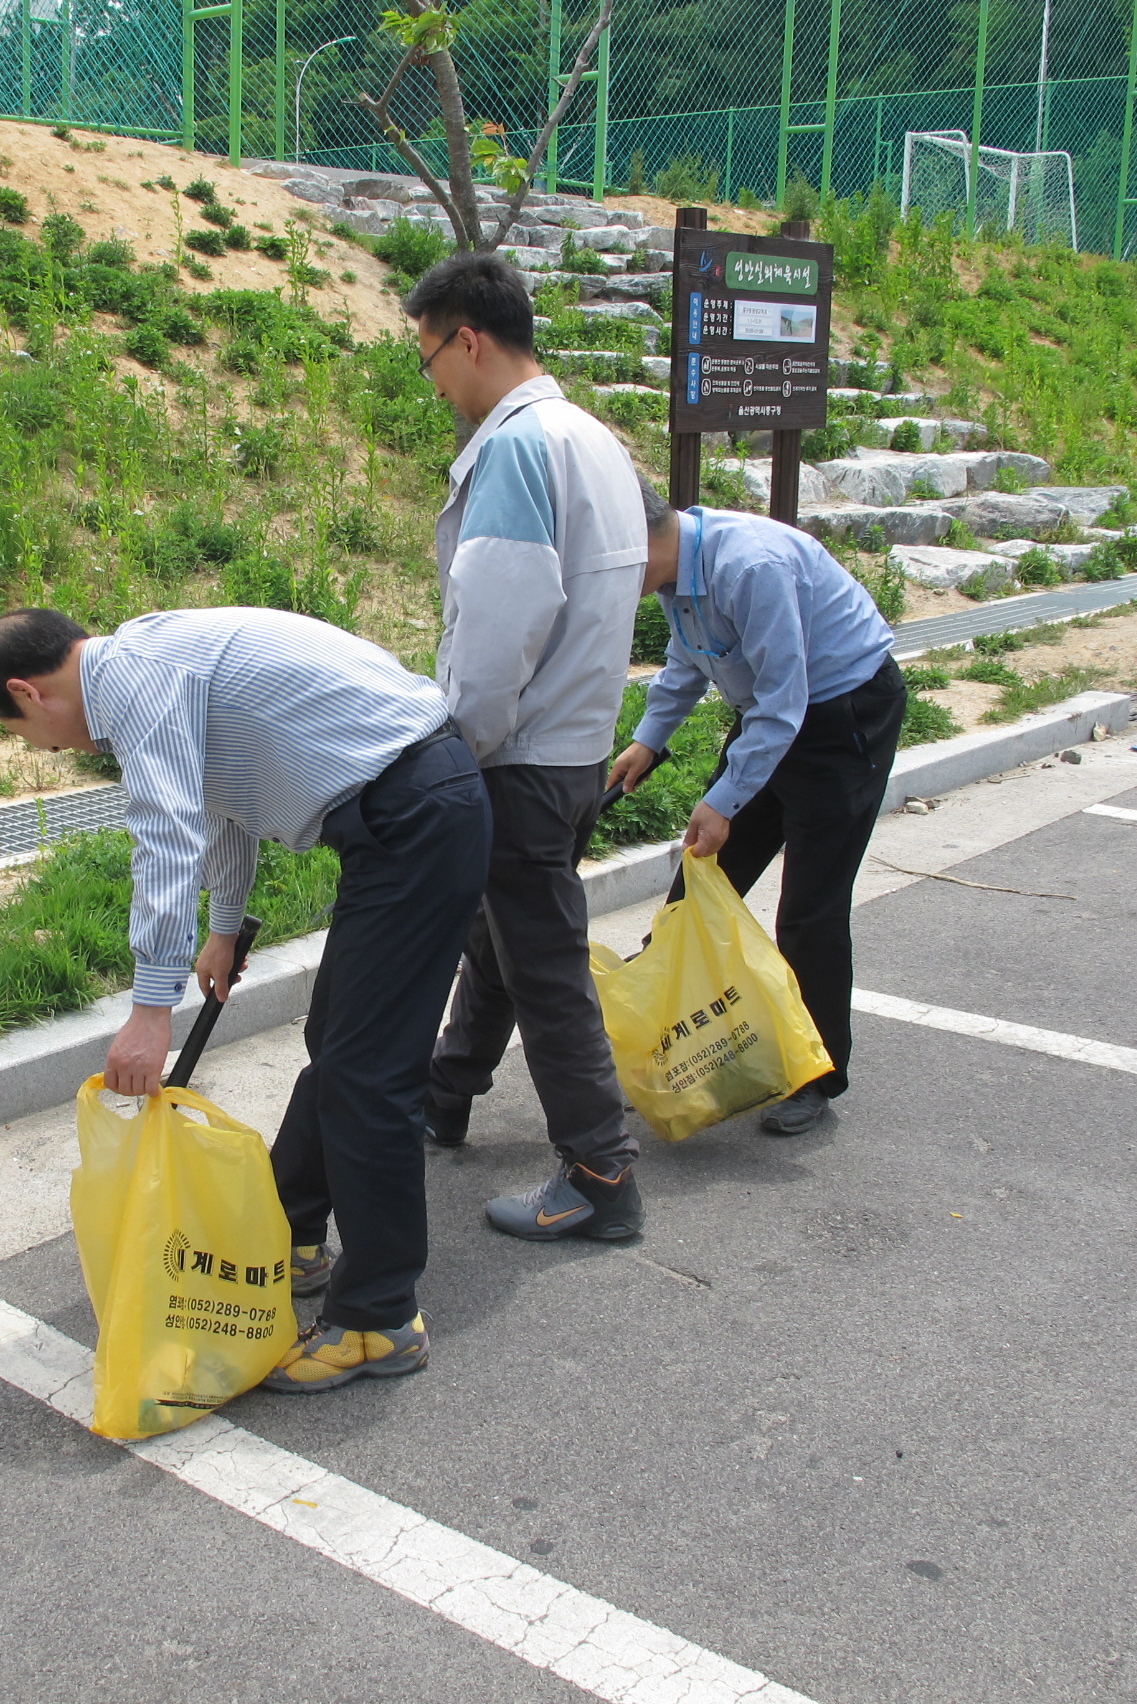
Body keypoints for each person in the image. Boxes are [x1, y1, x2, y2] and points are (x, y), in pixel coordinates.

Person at [0, 606, 490, 1393]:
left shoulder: (133, 682)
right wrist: (223, 926)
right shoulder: (148, 656)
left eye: (20, 733)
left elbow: (167, 831)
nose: (40, 749)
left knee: (366, 1076)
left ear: (27, 693)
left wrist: (151, 1012)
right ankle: (291, 1236)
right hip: (413, 809)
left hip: (414, 816)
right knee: (342, 1049)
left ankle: (380, 1321)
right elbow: (218, 797)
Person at [401, 252, 651, 1242]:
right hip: (576, 745)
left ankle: (600, 1171)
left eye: (428, 360)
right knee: (498, 936)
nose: (434, 385)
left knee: (541, 962)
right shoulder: (590, 436)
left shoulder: (514, 448)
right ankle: (446, 1093)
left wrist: (454, 743)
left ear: (467, 339)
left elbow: (501, 620)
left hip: (520, 752)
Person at [611, 483, 906, 1135]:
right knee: (697, 886)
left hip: (842, 717)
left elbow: (785, 699)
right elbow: (688, 663)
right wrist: (648, 740)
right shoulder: (674, 575)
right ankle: (669, 1044)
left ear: (634, 542)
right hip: (774, 716)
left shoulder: (750, 565)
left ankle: (819, 1076)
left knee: (810, 910)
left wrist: (723, 801)